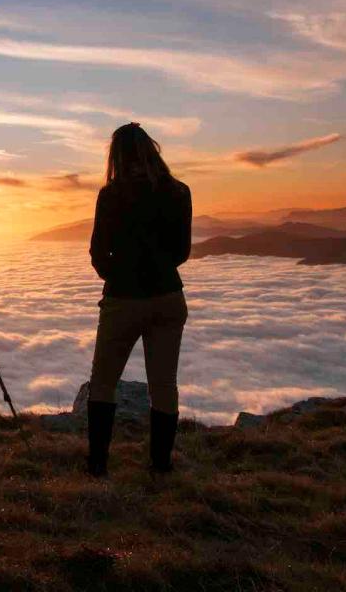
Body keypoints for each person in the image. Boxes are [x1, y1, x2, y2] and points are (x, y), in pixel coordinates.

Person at [84, 122, 192, 477]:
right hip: (167, 297)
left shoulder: (111, 195)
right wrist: (156, 269)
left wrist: (118, 276)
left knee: (103, 381)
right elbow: (181, 251)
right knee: (163, 384)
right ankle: (160, 464)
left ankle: (98, 464)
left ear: (116, 155)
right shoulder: (179, 192)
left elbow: (98, 252)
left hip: (123, 299)